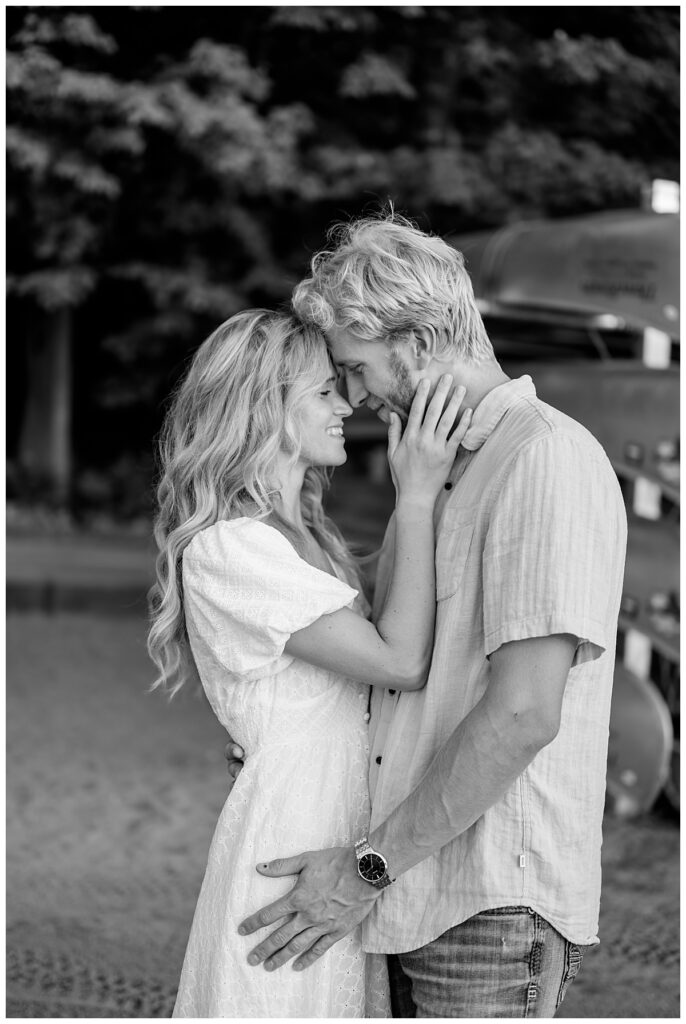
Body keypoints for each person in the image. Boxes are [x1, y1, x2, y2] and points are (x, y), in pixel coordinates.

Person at [226, 213, 628, 1017]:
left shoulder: (543, 456)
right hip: (411, 891)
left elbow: (521, 714)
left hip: (487, 909)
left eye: (357, 365)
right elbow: (396, 669)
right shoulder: (440, 465)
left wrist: (364, 868)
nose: (355, 394)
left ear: (412, 338)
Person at [147, 308, 472, 1017]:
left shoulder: (311, 537)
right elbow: (401, 657)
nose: (348, 405)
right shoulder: (231, 547)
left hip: (340, 831)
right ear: (264, 408)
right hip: (293, 839)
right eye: (324, 391)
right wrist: (413, 494)